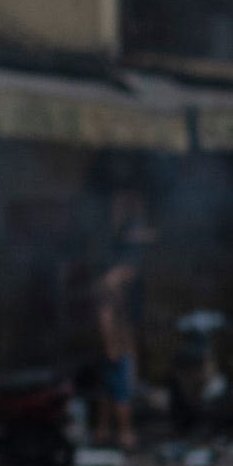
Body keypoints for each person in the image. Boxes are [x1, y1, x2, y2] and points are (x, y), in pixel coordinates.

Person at [95, 193, 154, 452]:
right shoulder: (110, 293)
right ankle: (125, 434)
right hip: (115, 350)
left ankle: (103, 431)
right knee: (120, 394)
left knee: (111, 392)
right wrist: (115, 349)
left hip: (118, 347)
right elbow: (106, 321)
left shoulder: (120, 298)